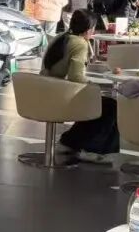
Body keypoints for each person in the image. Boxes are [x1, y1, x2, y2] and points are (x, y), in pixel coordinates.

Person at [40, 9, 118, 164]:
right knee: (110, 106)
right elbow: (76, 77)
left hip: (45, 93)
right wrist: (94, 86)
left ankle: (69, 142)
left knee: (97, 102)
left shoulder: (61, 37)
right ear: (89, 29)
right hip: (61, 97)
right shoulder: (79, 43)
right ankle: (92, 150)